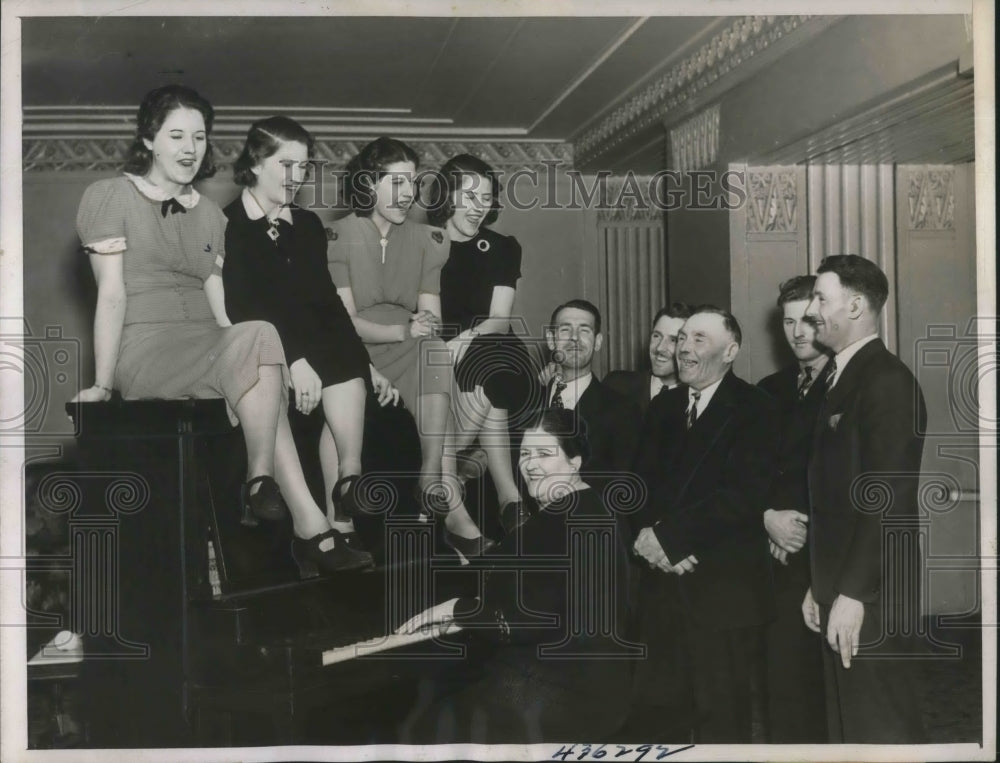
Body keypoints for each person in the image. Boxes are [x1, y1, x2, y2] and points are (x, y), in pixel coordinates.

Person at [71, 85, 371, 575]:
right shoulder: (109, 197)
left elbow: (221, 307)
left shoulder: (209, 214)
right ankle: (309, 525)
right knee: (257, 347)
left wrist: (249, 348)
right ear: (148, 140)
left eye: (200, 137)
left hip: (203, 341)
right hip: (147, 346)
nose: (190, 149)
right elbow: (112, 294)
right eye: (176, 136)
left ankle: (260, 482)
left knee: (258, 337)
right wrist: (104, 384)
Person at [396, 408, 634, 743]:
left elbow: (526, 621)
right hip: (596, 690)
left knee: (419, 729)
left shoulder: (553, 523)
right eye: (524, 454)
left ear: (574, 461)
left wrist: (458, 607)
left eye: (544, 454)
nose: (530, 465)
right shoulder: (591, 507)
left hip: (557, 693)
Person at [222, 116, 400, 557]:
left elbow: (327, 301)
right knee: (317, 354)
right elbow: (243, 305)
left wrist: (367, 364)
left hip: (314, 338)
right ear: (255, 163)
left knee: (346, 359)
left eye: (304, 167)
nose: (296, 177)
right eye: (286, 164)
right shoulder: (228, 224)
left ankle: (349, 481)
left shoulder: (308, 225)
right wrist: (296, 360)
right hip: (261, 342)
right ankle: (325, 521)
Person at [328, 137, 491, 559]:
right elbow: (343, 323)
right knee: (411, 348)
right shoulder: (336, 236)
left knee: (434, 350)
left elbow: (430, 318)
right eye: (396, 183)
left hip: (411, 346)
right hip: (354, 347)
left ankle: (431, 476)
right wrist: (386, 351)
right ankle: (342, 511)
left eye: (413, 184)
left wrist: (422, 330)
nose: (407, 194)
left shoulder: (428, 239)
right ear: (368, 183)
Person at [631, 306, 779, 742]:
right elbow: (638, 486)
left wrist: (670, 540)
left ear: (730, 351)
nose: (684, 349)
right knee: (658, 716)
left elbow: (742, 496)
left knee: (723, 721)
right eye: (682, 339)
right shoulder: (664, 407)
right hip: (663, 587)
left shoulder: (757, 408)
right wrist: (648, 541)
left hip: (722, 592)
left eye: (699, 339)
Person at [802, 255, 927, 743]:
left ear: (855, 306)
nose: (813, 311)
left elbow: (887, 498)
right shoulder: (842, 378)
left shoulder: (886, 382)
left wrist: (852, 593)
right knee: (849, 729)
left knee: (881, 728)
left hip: (870, 595)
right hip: (844, 587)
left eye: (820, 299)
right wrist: (821, 583)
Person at [430, 154, 540, 535]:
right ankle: (508, 498)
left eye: (487, 198)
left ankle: (451, 482)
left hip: (493, 347)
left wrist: (464, 338)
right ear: (447, 195)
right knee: (452, 380)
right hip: (440, 360)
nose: (480, 208)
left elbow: (499, 319)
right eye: (470, 196)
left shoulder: (502, 247)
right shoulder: (420, 245)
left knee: (489, 366)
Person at [756, 276, 829, 742]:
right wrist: (768, 520)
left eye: (807, 320)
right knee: (780, 685)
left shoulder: (848, 385)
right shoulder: (768, 389)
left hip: (824, 556)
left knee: (825, 692)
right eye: (788, 321)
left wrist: (798, 532)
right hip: (771, 558)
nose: (797, 332)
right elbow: (752, 471)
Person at [541, 299, 642, 490]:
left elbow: (622, 490)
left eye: (584, 330)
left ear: (597, 342)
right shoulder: (526, 403)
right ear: (551, 339)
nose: (574, 338)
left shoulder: (623, 411)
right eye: (565, 329)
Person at [605, 302, 692, 417]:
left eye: (673, 340)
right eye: (656, 336)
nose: (660, 348)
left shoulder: (697, 399)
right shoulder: (616, 386)